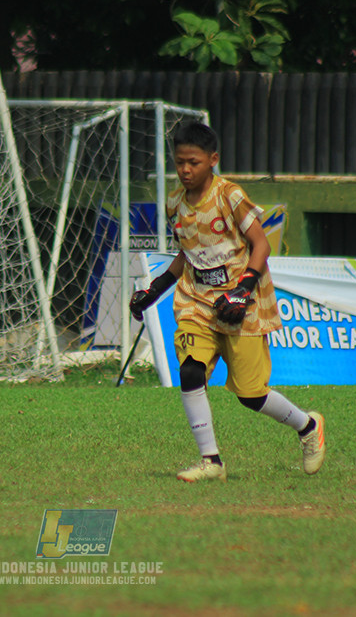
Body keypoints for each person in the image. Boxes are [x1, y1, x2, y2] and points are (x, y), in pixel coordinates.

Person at [129, 121, 325, 482]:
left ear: (213, 160)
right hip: (196, 303)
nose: (185, 170)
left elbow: (261, 244)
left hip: (241, 306)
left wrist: (242, 288)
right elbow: (187, 253)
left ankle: (308, 425)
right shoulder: (174, 203)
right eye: (180, 163)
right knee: (190, 372)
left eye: (193, 162)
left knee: (250, 396)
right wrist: (155, 289)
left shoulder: (229, 195)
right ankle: (211, 462)